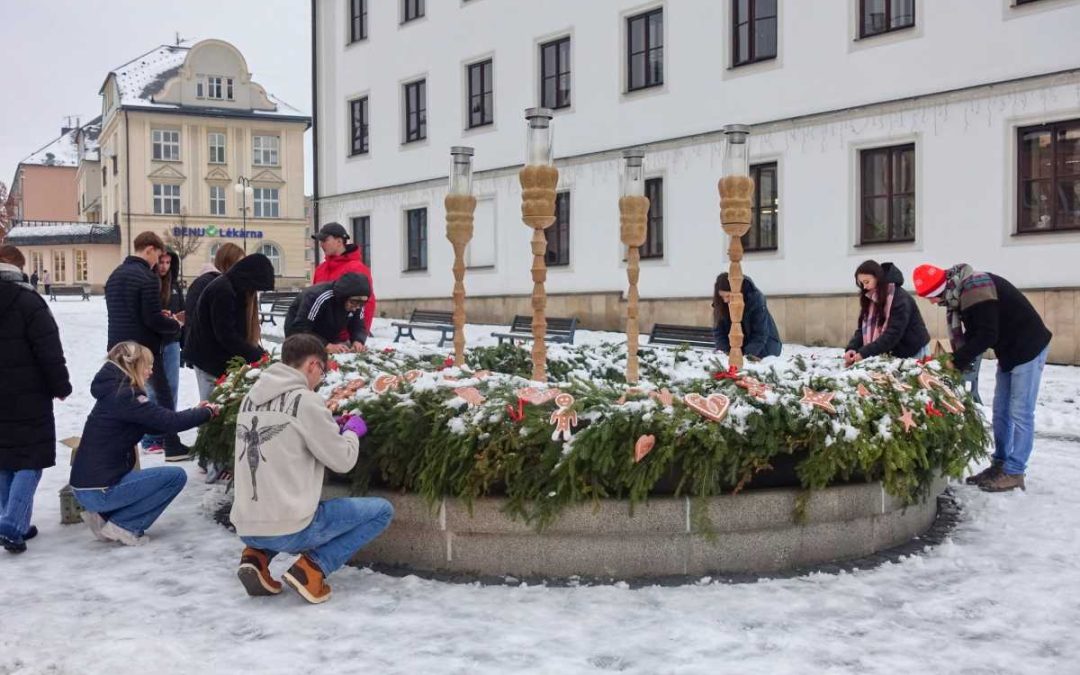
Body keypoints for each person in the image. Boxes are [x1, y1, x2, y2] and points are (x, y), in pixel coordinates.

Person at [231, 333, 392, 603]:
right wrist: (351, 432)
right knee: (382, 512)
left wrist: (329, 426)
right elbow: (343, 461)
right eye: (323, 373)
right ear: (313, 365)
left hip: (247, 524)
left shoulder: (250, 399)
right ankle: (313, 569)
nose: (320, 380)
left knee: (272, 518)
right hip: (291, 527)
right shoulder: (306, 401)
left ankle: (255, 557)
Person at [913, 263, 1053, 493]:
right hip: (1009, 350)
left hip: (1028, 346)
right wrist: (955, 357)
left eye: (931, 297)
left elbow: (987, 334)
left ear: (940, 290)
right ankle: (1000, 463)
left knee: (1020, 411)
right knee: (1000, 411)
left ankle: (1015, 471)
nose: (932, 302)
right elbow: (976, 332)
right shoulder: (962, 292)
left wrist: (956, 361)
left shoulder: (976, 288)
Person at [70, 342, 218, 545]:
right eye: (148, 365)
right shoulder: (126, 396)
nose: (151, 370)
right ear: (134, 366)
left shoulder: (114, 392)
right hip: (100, 491)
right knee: (174, 477)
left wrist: (196, 412)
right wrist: (208, 413)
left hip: (88, 487)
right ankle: (125, 526)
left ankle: (102, 518)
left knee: (144, 477)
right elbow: (170, 422)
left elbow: (156, 425)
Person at [0, 245, 72, 553]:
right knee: (30, 458)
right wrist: (61, 385)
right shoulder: (30, 301)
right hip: (28, 393)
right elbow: (48, 348)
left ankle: (12, 519)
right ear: (19, 267)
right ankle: (13, 524)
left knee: (4, 459)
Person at [105, 231, 187, 461]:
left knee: (122, 396)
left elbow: (125, 311)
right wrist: (175, 325)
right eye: (157, 255)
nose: (157, 262)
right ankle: (171, 444)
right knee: (163, 394)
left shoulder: (116, 275)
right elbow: (151, 319)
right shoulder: (147, 277)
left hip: (116, 348)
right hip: (142, 348)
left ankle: (119, 443)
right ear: (149, 249)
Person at [186, 253, 275, 392]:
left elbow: (237, 331)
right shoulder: (223, 290)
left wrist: (259, 353)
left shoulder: (236, 289)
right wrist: (256, 356)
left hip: (217, 358)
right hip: (208, 359)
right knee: (212, 405)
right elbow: (226, 335)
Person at [183, 243, 245, 398]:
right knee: (211, 405)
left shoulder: (221, 283)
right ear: (227, 262)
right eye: (239, 263)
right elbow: (212, 325)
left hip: (213, 355)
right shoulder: (214, 285)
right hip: (208, 357)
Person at [844, 260, 931, 367]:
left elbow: (893, 333)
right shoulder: (870, 298)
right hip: (891, 351)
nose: (864, 287)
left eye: (867, 282)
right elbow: (862, 330)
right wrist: (852, 348)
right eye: (861, 283)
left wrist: (865, 352)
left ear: (878, 279)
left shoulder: (899, 298)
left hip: (913, 350)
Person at [141, 250, 185, 453]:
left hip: (172, 341)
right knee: (155, 391)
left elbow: (184, 313)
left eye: (168, 262)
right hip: (153, 343)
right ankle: (151, 437)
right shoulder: (149, 283)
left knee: (172, 389)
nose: (164, 266)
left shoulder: (174, 284)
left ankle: (168, 434)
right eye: (161, 262)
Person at [312, 222, 376, 343]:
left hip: (344, 339)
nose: (321, 244)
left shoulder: (356, 268)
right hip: (320, 338)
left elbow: (366, 304)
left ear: (339, 241)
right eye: (320, 241)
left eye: (324, 240)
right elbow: (313, 300)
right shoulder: (321, 269)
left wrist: (358, 338)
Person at [284, 273, 371, 353]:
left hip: (327, 336)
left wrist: (358, 341)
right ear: (343, 296)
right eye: (353, 302)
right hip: (298, 338)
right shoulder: (317, 296)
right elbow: (300, 329)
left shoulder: (357, 303)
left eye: (362, 304)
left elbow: (358, 326)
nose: (356, 308)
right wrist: (325, 345)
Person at [712, 273, 782, 359]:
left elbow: (760, 334)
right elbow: (719, 332)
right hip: (736, 349)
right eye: (722, 296)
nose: (725, 300)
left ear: (737, 292)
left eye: (728, 296)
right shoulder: (721, 304)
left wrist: (746, 356)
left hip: (764, 349)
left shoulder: (755, 300)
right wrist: (726, 352)